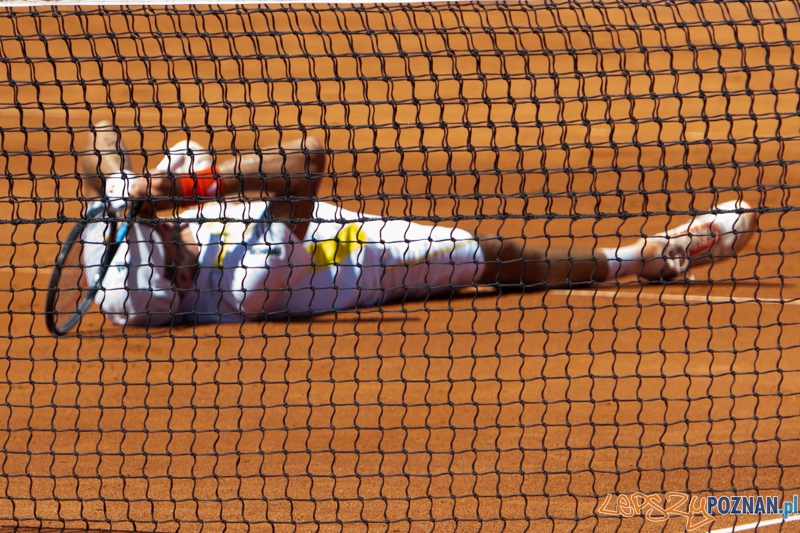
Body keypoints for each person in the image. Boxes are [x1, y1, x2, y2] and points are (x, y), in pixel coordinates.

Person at [79, 122, 757, 327]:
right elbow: (307, 161)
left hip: (301, 226)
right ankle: (641, 258)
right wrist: (197, 185)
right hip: (369, 257)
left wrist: (129, 186)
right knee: (493, 257)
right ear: (172, 266)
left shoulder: (120, 254)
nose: (155, 226)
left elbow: (98, 140)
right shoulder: (242, 289)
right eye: (154, 230)